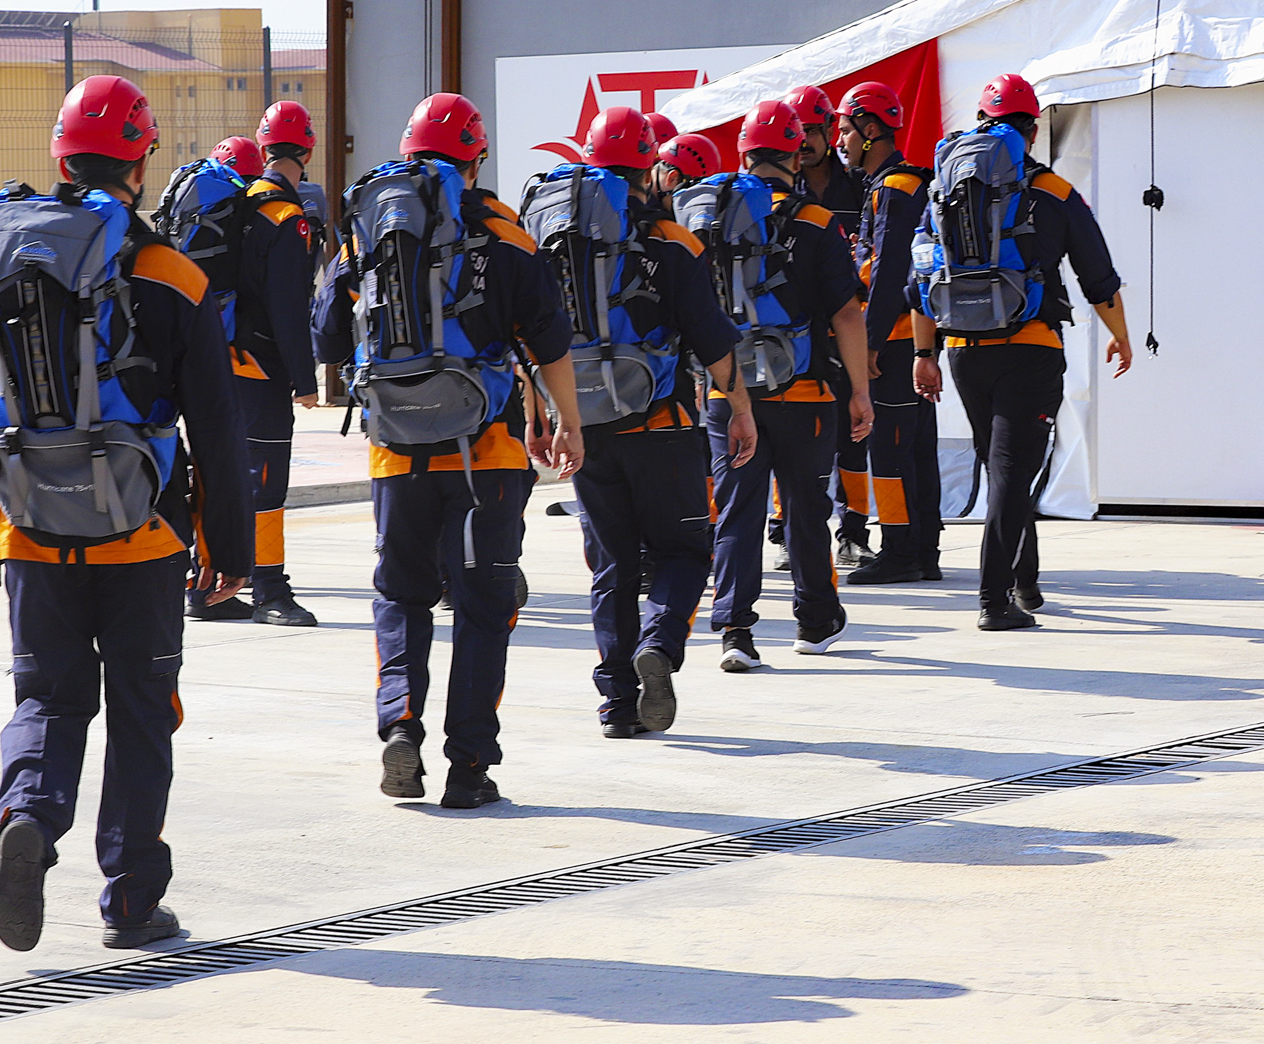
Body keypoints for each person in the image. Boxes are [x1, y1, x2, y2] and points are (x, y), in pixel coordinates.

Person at [0, 76, 253, 958]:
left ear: (60, 155)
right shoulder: (172, 273)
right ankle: (130, 897)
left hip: (32, 529)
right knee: (140, 709)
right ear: (143, 160)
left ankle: (27, 810)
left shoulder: (6, 257)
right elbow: (216, 421)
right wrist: (232, 549)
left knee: (47, 697)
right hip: (144, 534)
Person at [313, 93, 583, 809]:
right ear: (476, 155)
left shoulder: (369, 226)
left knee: (401, 594)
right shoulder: (504, 231)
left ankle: (400, 722)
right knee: (482, 604)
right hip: (484, 453)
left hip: (395, 451)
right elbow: (549, 340)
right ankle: (469, 766)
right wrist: (567, 421)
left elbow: (327, 341)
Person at [525, 107, 755, 738]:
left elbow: (530, 340)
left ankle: (617, 706)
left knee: (612, 566)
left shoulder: (550, 238)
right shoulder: (671, 242)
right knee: (684, 550)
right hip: (664, 424)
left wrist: (540, 418)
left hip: (585, 425)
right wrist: (738, 410)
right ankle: (660, 643)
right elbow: (713, 343)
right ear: (652, 166)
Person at [910, 73, 1132, 631]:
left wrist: (924, 353)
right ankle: (993, 599)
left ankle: (1025, 581)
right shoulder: (1053, 190)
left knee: (1002, 466)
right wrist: (1121, 333)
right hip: (1029, 346)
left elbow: (920, 274)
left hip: (962, 347)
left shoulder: (944, 188)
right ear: (1030, 130)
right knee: (1013, 470)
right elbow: (1097, 274)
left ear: (983, 125)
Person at [695, 99, 872, 671]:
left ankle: (735, 633)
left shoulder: (709, 219)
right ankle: (815, 621)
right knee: (805, 507)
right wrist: (860, 392)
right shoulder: (817, 222)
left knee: (738, 510)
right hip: (807, 393)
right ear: (797, 155)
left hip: (730, 393)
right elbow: (847, 313)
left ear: (743, 155)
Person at [192, 102, 323, 626]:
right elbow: (290, 311)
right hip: (259, 367)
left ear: (264, 148)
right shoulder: (287, 219)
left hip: (216, 359)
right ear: (307, 150)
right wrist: (306, 380)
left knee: (218, 472)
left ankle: (203, 587)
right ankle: (270, 590)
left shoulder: (239, 201)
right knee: (266, 479)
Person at [838, 80, 945, 585]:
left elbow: (888, 272)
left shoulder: (893, 189)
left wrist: (871, 344)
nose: (840, 141)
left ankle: (902, 549)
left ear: (870, 129)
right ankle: (923, 549)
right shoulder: (904, 185)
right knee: (918, 447)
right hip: (913, 338)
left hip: (896, 340)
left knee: (891, 449)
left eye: (845, 130)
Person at [783, 83, 875, 572]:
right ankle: (783, 531)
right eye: (799, 132)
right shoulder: (776, 195)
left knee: (852, 437)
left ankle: (854, 531)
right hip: (795, 335)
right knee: (786, 438)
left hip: (847, 326)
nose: (808, 142)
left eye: (816, 131)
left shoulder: (859, 188)